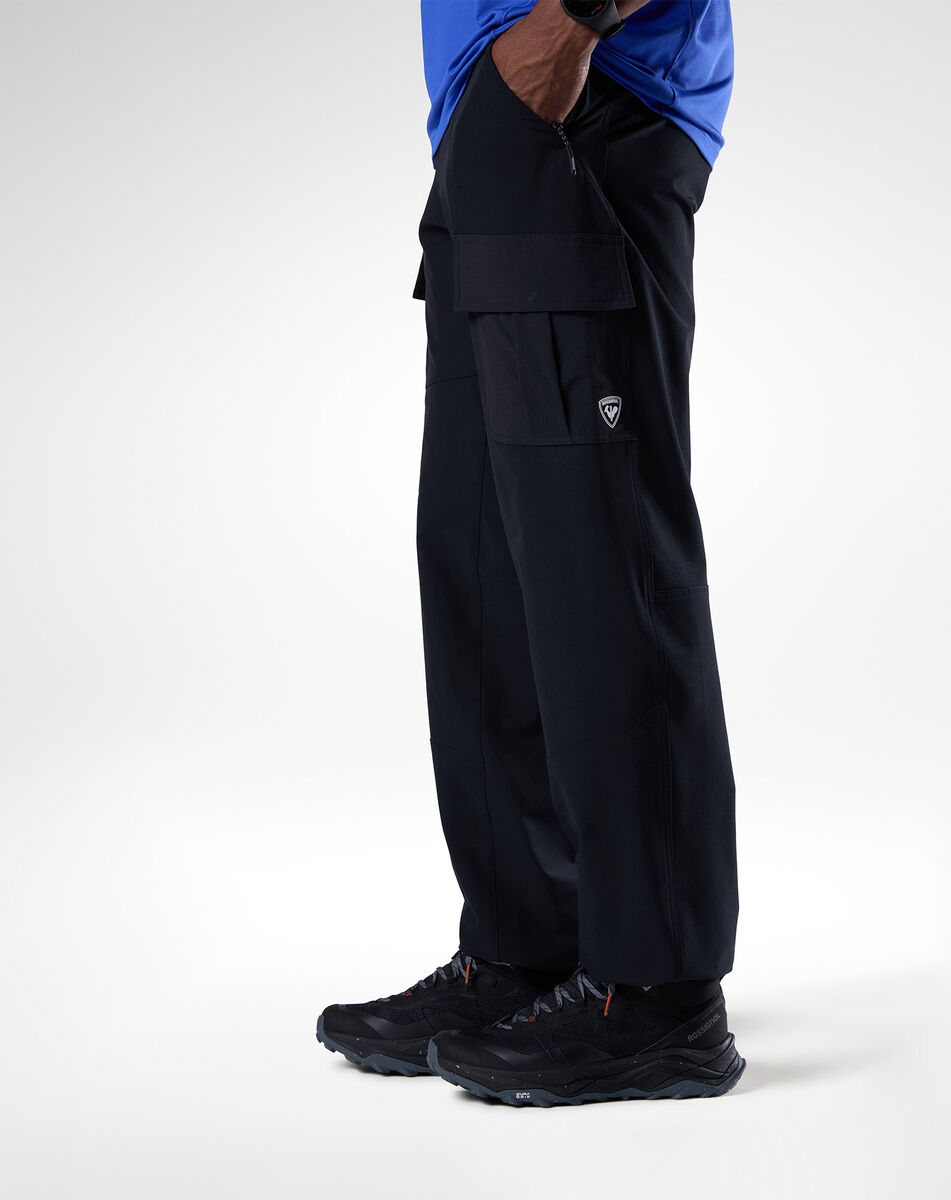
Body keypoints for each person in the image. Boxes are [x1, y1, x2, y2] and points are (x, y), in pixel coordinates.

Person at [318, 0, 742, 1106]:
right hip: (488, 120)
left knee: (602, 556)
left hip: (591, 97)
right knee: (485, 564)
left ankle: (660, 992)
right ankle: (526, 948)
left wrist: (573, 24)